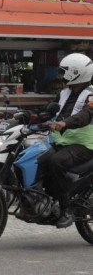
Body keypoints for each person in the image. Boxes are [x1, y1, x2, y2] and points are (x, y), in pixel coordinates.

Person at [43, 53, 93, 228]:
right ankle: (44, 200)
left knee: (56, 162)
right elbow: (49, 111)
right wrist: (25, 116)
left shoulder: (91, 95)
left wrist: (64, 123)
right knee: (39, 157)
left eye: (64, 72)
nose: (61, 76)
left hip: (85, 145)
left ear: (76, 73)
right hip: (61, 142)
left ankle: (66, 209)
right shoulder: (64, 93)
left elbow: (85, 116)